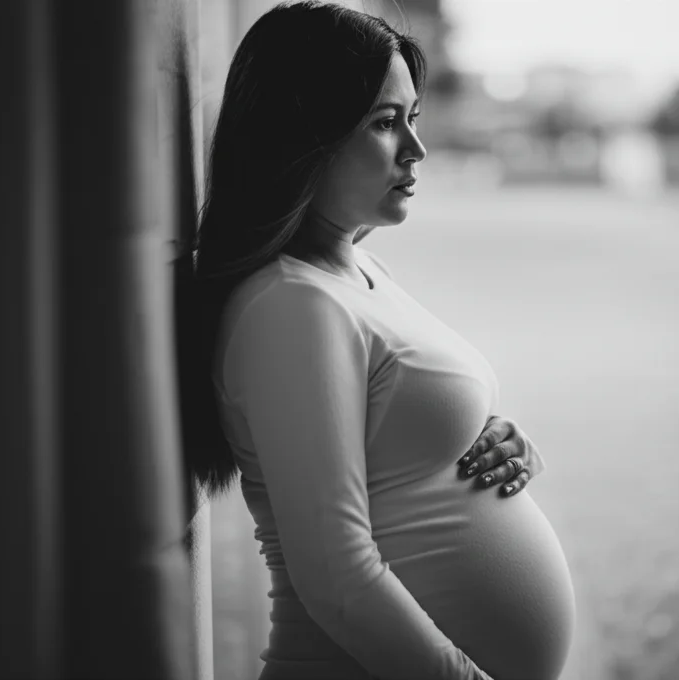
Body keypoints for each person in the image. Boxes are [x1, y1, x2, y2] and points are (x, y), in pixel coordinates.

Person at [174, 2, 576, 678]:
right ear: (304, 137)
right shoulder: (289, 306)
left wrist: (495, 441)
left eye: (412, 118)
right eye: (385, 123)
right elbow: (337, 576)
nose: (415, 149)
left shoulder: (355, 268)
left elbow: (392, 438)